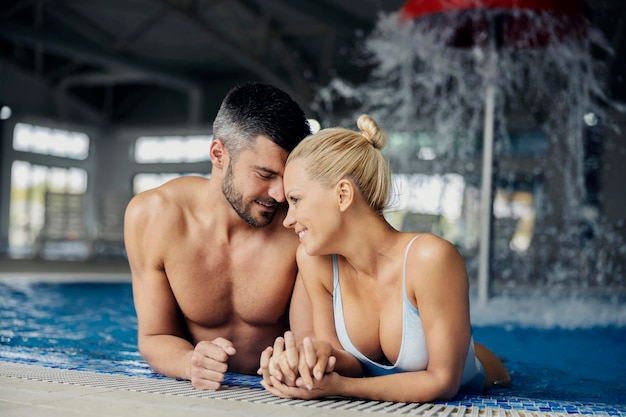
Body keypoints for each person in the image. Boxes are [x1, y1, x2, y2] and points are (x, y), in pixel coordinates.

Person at [258, 114, 511, 403]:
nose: (287, 220)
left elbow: (443, 382)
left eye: (296, 200)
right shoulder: (315, 262)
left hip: (491, 382)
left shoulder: (430, 259)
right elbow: (349, 364)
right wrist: (314, 358)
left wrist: (341, 388)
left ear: (342, 195)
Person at [124, 83, 312, 390]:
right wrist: (188, 363)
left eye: (286, 176)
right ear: (218, 154)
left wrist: (298, 361)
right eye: (265, 175)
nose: (279, 195)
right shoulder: (154, 217)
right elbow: (154, 336)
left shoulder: (298, 225)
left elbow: (315, 341)